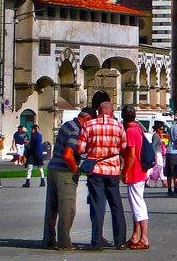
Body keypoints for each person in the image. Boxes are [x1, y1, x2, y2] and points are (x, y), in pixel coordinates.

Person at [43, 106, 94, 251]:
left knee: (52, 207)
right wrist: (76, 170)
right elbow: (68, 154)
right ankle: (64, 242)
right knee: (67, 207)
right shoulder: (76, 130)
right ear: (87, 118)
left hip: (53, 167)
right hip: (64, 170)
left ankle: (48, 239)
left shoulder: (67, 124)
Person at [78, 101, 128, 249]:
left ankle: (97, 239)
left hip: (96, 169)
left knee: (97, 205)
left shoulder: (88, 125)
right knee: (116, 205)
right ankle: (120, 240)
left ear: (98, 110)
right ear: (112, 112)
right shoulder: (119, 126)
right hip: (112, 169)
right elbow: (123, 147)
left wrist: (92, 149)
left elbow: (81, 148)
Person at [121, 105, 150, 249]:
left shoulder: (131, 131)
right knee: (136, 205)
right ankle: (135, 235)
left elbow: (131, 155)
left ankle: (144, 238)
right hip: (142, 170)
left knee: (138, 205)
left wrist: (124, 171)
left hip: (135, 171)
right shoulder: (138, 128)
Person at [147, 120, 167, 188]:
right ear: (157, 129)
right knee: (157, 167)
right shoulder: (155, 136)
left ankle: (162, 181)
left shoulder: (159, 135)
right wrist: (154, 154)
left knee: (159, 167)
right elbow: (153, 145)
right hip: (157, 153)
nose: (162, 130)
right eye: (161, 129)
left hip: (159, 153)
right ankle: (162, 181)